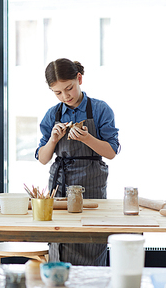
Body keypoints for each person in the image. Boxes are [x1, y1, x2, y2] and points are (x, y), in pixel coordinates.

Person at [36, 58, 120, 266]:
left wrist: (86, 138)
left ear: (79, 79)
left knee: (92, 240)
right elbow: (43, 158)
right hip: (60, 186)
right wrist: (53, 139)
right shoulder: (52, 114)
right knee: (60, 241)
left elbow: (111, 152)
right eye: (58, 93)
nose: (65, 96)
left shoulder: (100, 110)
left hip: (91, 185)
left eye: (69, 88)